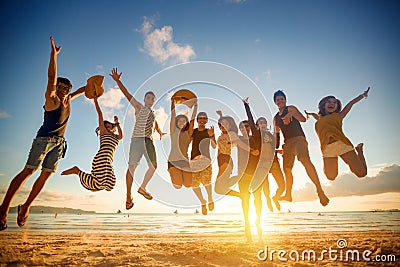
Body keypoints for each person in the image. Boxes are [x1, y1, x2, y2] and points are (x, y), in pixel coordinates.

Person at [0, 36, 86, 230]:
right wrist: (53, 56)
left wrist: (95, 86)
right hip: (43, 141)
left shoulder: (68, 99)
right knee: (29, 171)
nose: (64, 90)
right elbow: (51, 78)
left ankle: (25, 207)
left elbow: (82, 90)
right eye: (61, 87)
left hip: (59, 143)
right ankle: (3, 209)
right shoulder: (52, 99)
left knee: (46, 175)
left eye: (67, 88)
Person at [109, 68, 165, 210]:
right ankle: (128, 195)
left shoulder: (153, 113)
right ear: (144, 99)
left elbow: (155, 122)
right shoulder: (139, 107)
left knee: (154, 166)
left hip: (149, 141)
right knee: (132, 167)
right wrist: (118, 81)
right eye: (148, 97)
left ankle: (142, 188)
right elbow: (127, 95)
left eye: (153, 98)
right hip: (138, 140)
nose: (151, 100)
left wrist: (159, 131)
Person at [273, 90, 329, 206]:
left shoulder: (291, 108)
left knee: (304, 159)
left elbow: (303, 119)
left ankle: (319, 190)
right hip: (287, 143)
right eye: (278, 99)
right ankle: (288, 195)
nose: (280, 101)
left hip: (299, 139)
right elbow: (276, 133)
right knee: (287, 170)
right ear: (275, 102)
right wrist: (274, 148)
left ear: (285, 100)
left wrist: (291, 115)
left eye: (282, 99)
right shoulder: (275, 118)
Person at [305, 88, 369, 180]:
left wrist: (362, 96)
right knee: (331, 177)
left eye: (334, 102)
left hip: (342, 145)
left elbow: (351, 103)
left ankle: (359, 150)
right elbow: (316, 115)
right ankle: (332, 161)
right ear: (323, 105)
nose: (332, 104)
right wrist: (309, 114)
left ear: (337, 105)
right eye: (329, 102)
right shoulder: (319, 119)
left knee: (362, 173)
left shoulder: (339, 116)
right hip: (327, 148)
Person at [61, 96, 123, 191]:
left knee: (111, 184)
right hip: (101, 158)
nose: (108, 128)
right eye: (106, 127)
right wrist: (95, 101)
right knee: (100, 182)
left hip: (109, 160)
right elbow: (100, 114)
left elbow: (121, 136)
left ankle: (92, 186)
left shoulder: (115, 137)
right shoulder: (103, 133)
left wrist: (117, 124)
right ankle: (76, 171)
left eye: (110, 127)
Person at [214, 113, 256, 198]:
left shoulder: (232, 134)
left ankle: (240, 177)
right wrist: (221, 116)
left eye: (226, 124)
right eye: (222, 125)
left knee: (218, 187)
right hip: (221, 160)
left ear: (230, 126)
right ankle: (241, 195)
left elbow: (240, 143)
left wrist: (251, 150)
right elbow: (218, 150)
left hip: (226, 159)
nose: (224, 126)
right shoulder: (221, 136)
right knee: (218, 189)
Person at [190, 111, 216, 215]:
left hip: (205, 159)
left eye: (204, 118)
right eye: (200, 118)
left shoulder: (209, 132)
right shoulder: (194, 131)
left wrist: (212, 136)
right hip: (194, 160)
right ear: (197, 120)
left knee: (206, 182)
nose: (202, 120)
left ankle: (210, 197)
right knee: (194, 185)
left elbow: (214, 146)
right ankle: (203, 201)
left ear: (207, 120)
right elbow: (187, 141)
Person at [167, 97, 196, 188]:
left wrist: (195, 107)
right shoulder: (173, 131)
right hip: (173, 161)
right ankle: (173, 171)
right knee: (178, 186)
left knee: (188, 184)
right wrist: (173, 103)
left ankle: (180, 173)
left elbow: (192, 121)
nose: (182, 122)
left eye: (184, 121)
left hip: (184, 161)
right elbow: (173, 115)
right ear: (177, 122)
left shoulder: (189, 134)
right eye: (180, 121)